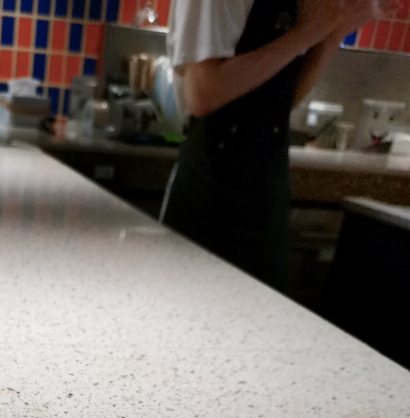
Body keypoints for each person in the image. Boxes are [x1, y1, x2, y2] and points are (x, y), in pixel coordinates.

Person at [160, 0, 396, 289]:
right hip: (211, 186)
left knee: (261, 311)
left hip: (267, 186)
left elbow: (281, 102)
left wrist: (335, 31)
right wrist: (307, 33)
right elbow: (203, 92)